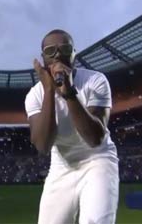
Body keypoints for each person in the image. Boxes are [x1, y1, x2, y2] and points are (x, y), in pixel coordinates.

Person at [25, 29, 119, 224]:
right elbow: (42, 145)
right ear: (43, 59)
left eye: (65, 48)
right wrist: (50, 90)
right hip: (61, 164)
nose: (58, 54)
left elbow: (94, 139)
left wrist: (68, 92)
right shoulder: (35, 95)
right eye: (50, 51)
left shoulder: (95, 81)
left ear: (74, 54)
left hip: (98, 159)